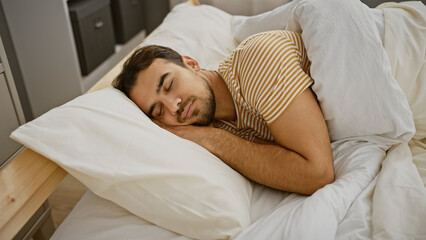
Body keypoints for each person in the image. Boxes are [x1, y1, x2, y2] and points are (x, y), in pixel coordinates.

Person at [112, 30, 334, 195]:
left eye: (169, 84)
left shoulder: (256, 62)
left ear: (191, 63)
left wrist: (211, 139)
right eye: (158, 110)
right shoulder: (210, 122)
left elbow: (318, 174)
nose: (173, 106)